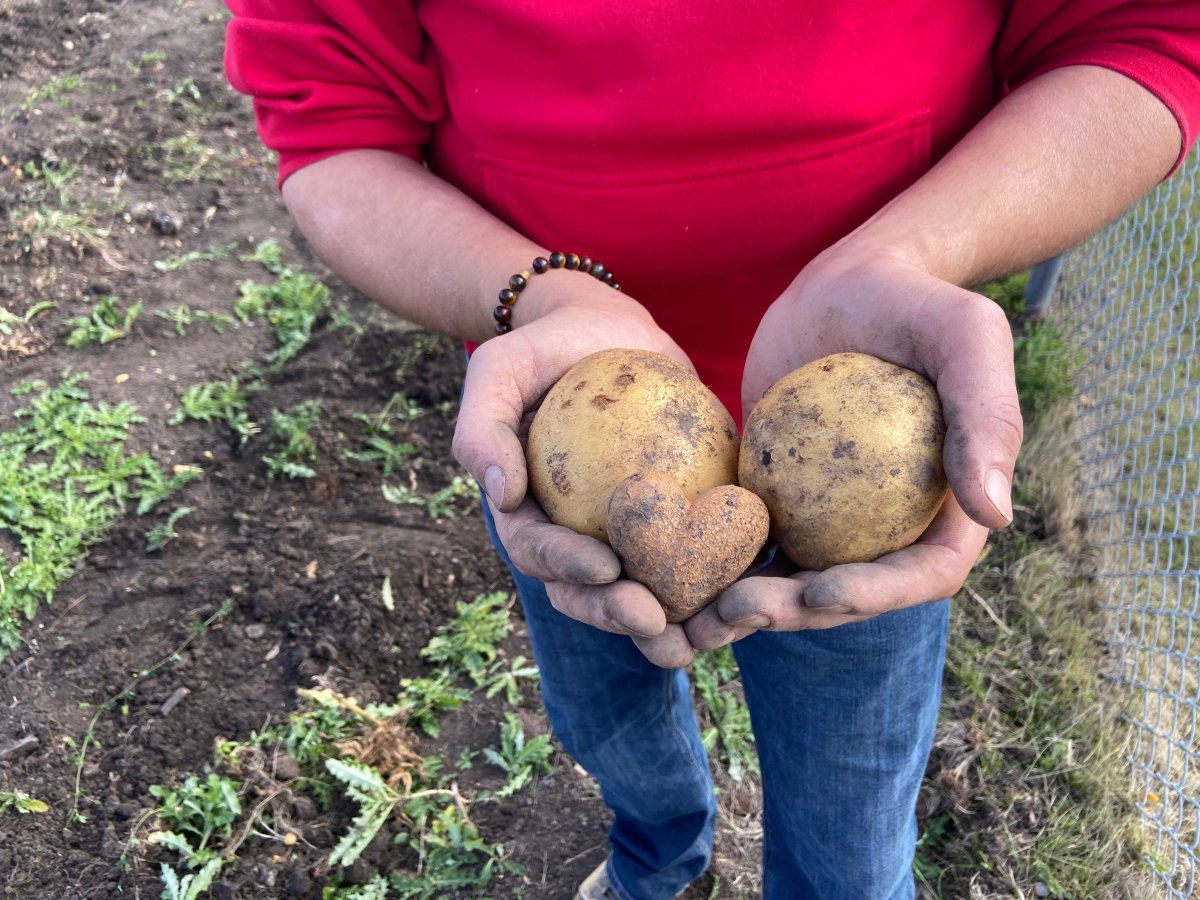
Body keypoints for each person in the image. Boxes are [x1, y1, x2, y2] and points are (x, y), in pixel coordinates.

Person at [224, 2, 1200, 897]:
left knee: (852, 796)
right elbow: (332, 124)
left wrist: (911, 252)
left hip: (862, 427)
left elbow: (1144, 37)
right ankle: (660, 858)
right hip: (566, 435)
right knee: (605, 715)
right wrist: (547, 295)